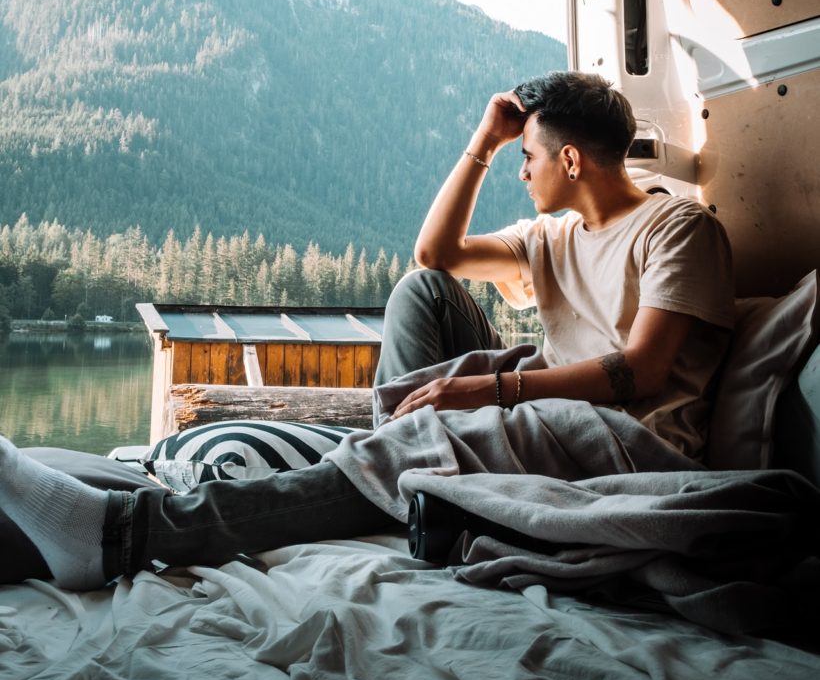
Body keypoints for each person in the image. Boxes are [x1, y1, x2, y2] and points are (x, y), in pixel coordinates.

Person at [0, 72, 734, 592]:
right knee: (422, 291)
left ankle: (121, 534)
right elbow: (435, 255)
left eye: (527, 158)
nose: (522, 174)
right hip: (542, 417)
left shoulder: (677, 228)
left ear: (569, 160)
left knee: (427, 430)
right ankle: (397, 469)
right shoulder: (553, 235)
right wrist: (484, 140)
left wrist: (487, 389)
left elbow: (639, 372)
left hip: (623, 439)